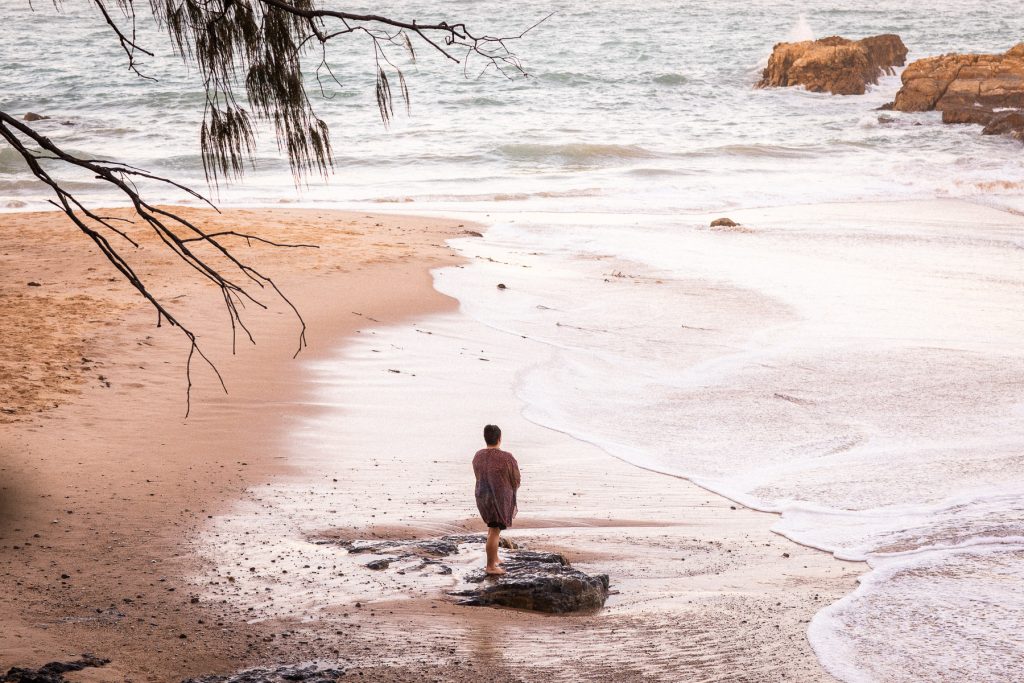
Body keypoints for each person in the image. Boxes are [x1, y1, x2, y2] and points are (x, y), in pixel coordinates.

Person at [472, 424, 521, 575]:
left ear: (485, 438)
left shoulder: (478, 455)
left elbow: (478, 474)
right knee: (494, 530)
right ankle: (490, 566)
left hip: (482, 496)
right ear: (500, 438)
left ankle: (495, 558)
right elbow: (516, 478)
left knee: (492, 528)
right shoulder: (506, 457)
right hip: (498, 499)